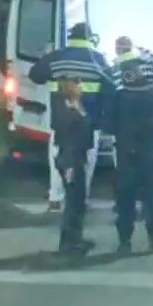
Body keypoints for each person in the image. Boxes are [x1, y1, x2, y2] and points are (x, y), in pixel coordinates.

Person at [29, 22, 114, 212]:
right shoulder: (99, 60)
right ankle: (80, 199)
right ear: (90, 38)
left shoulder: (56, 57)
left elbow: (35, 75)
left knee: (58, 157)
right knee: (87, 161)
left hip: (61, 120)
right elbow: (110, 89)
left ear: (71, 37)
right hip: (88, 122)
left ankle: (55, 198)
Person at [108, 36, 153, 253]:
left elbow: (111, 111)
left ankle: (125, 241)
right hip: (150, 141)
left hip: (127, 145)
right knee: (151, 194)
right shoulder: (150, 67)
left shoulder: (115, 72)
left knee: (126, 196)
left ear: (117, 51)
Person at [51, 78, 96, 255]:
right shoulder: (64, 108)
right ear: (69, 87)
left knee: (78, 201)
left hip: (78, 158)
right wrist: (69, 166)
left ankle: (76, 238)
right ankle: (68, 243)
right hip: (70, 160)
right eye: (77, 83)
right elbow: (66, 135)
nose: (81, 86)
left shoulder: (78, 105)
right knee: (73, 202)